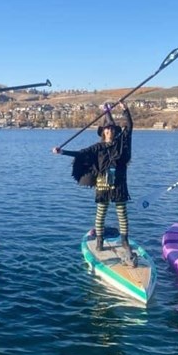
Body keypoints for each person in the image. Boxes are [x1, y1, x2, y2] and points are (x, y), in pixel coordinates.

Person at [52, 103, 135, 264]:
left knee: (122, 213)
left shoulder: (121, 145)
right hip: (103, 184)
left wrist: (125, 110)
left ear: (114, 131)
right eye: (106, 129)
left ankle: (125, 241)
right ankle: (99, 240)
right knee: (101, 213)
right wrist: (62, 152)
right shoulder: (97, 147)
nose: (109, 131)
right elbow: (81, 153)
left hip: (119, 184)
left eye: (111, 129)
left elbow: (130, 127)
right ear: (103, 132)